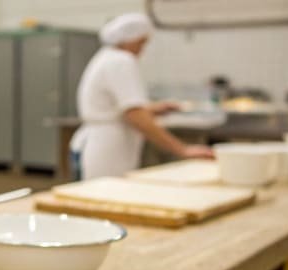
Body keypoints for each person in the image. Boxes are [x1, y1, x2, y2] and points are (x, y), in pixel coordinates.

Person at [71, 13, 213, 180]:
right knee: (105, 197)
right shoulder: (121, 61)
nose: (142, 50)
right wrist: (183, 149)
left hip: (98, 143)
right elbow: (135, 115)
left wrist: (154, 108)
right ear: (128, 39)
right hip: (107, 150)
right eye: (141, 43)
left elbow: (118, 107)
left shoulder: (106, 57)